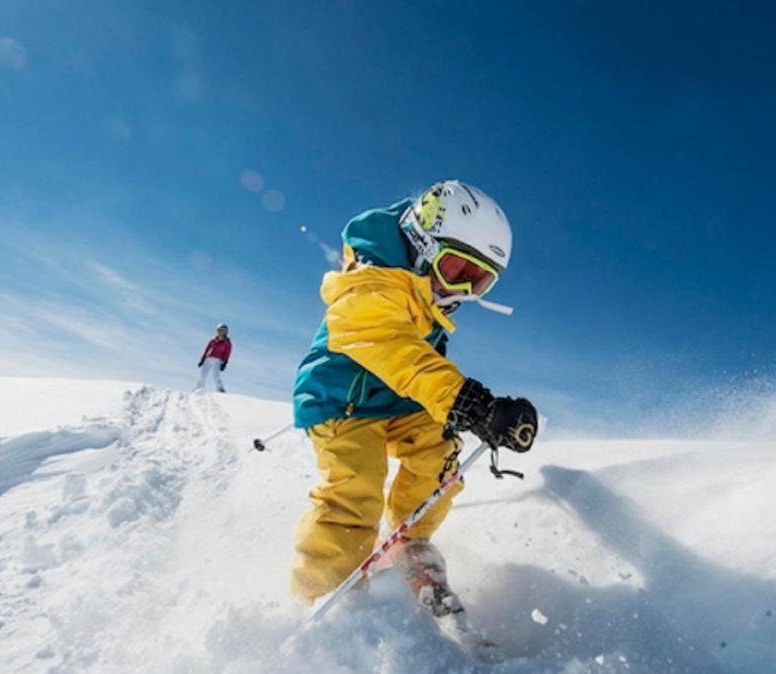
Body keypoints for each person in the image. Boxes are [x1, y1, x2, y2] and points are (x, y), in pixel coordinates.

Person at [290, 180, 538, 611]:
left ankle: (408, 541)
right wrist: (466, 401)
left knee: (439, 458)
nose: (462, 291)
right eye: (457, 270)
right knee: (355, 490)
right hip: (343, 399)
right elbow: (391, 346)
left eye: (480, 282)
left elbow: (420, 366)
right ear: (423, 243)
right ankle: (324, 596)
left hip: (402, 399)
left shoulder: (429, 294)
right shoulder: (370, 280)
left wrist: (480, 412)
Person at [196, 324, 231, 392]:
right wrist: (202, 359)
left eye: (224, 331)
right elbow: (206, 350)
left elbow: (227, 353)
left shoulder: (227, 343)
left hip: (217, 360)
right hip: (208, 359)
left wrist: (224, 363)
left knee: (216, 376)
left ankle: (220, 389)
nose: (221, 332)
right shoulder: (212, 341)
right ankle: (198, 390)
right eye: (220, 330)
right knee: (202, 375)